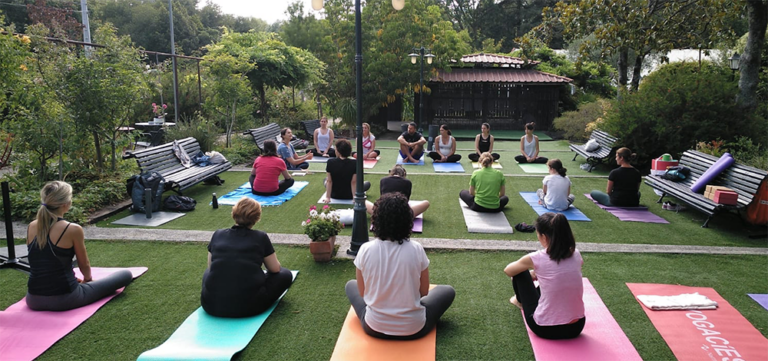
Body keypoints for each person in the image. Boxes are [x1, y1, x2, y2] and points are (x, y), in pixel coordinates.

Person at [346, 192, 455, 340]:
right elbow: (423, 291)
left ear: (376, 220)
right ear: (408, 221)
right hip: (414, 328)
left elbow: (363, 292)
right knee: (447, 291)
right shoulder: (416, 248)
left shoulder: (365, 249)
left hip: (374, 327)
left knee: (350, 285)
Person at [25, 181, 133, 311]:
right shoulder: (72, 229)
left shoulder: (32, 226)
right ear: (66, 204)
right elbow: (84, 264)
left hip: (33, 300)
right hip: (66, 299)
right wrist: (88, 280)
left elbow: (43, 262)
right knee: (125, 274)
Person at [201, 198, 293, 318]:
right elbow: (275, 269)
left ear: (234, 214)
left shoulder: (218, 234)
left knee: (209, 272)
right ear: (257, 217)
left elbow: (211, 267)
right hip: (250, 307)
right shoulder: (260, 237)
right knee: (285, 274)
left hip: (211, 305)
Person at [503, 213, 585, 340]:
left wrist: (532, 273)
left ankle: (519, 301)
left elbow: (508, 271)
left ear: (544, 237)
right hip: (577, 327)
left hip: (545, 329)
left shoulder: (537, 258)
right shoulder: (576, 254)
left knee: (520, 272)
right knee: (559, 279)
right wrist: (539, 274)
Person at [365, 165, 430, 217]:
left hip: (383, 213)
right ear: (403, 174)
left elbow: (382, 198)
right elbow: (406, 200)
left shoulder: (383, 180)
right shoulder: (408, 182)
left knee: (363, 201)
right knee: (426, 203)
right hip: (402, 214)